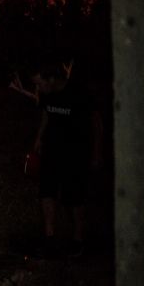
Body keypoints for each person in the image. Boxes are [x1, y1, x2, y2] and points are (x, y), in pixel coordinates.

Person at [30, 61, 103, 258]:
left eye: (39, 83)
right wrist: (39, 138)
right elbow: (46, 114)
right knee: (46, 192)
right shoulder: (47, 94)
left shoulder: (79, 93)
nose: (37, 88)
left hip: (75, 152)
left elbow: (96, 122)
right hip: (51, 150)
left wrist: (96, 152)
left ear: (51, 79)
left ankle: (78, 241)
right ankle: (49, 238)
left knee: (74, 198)